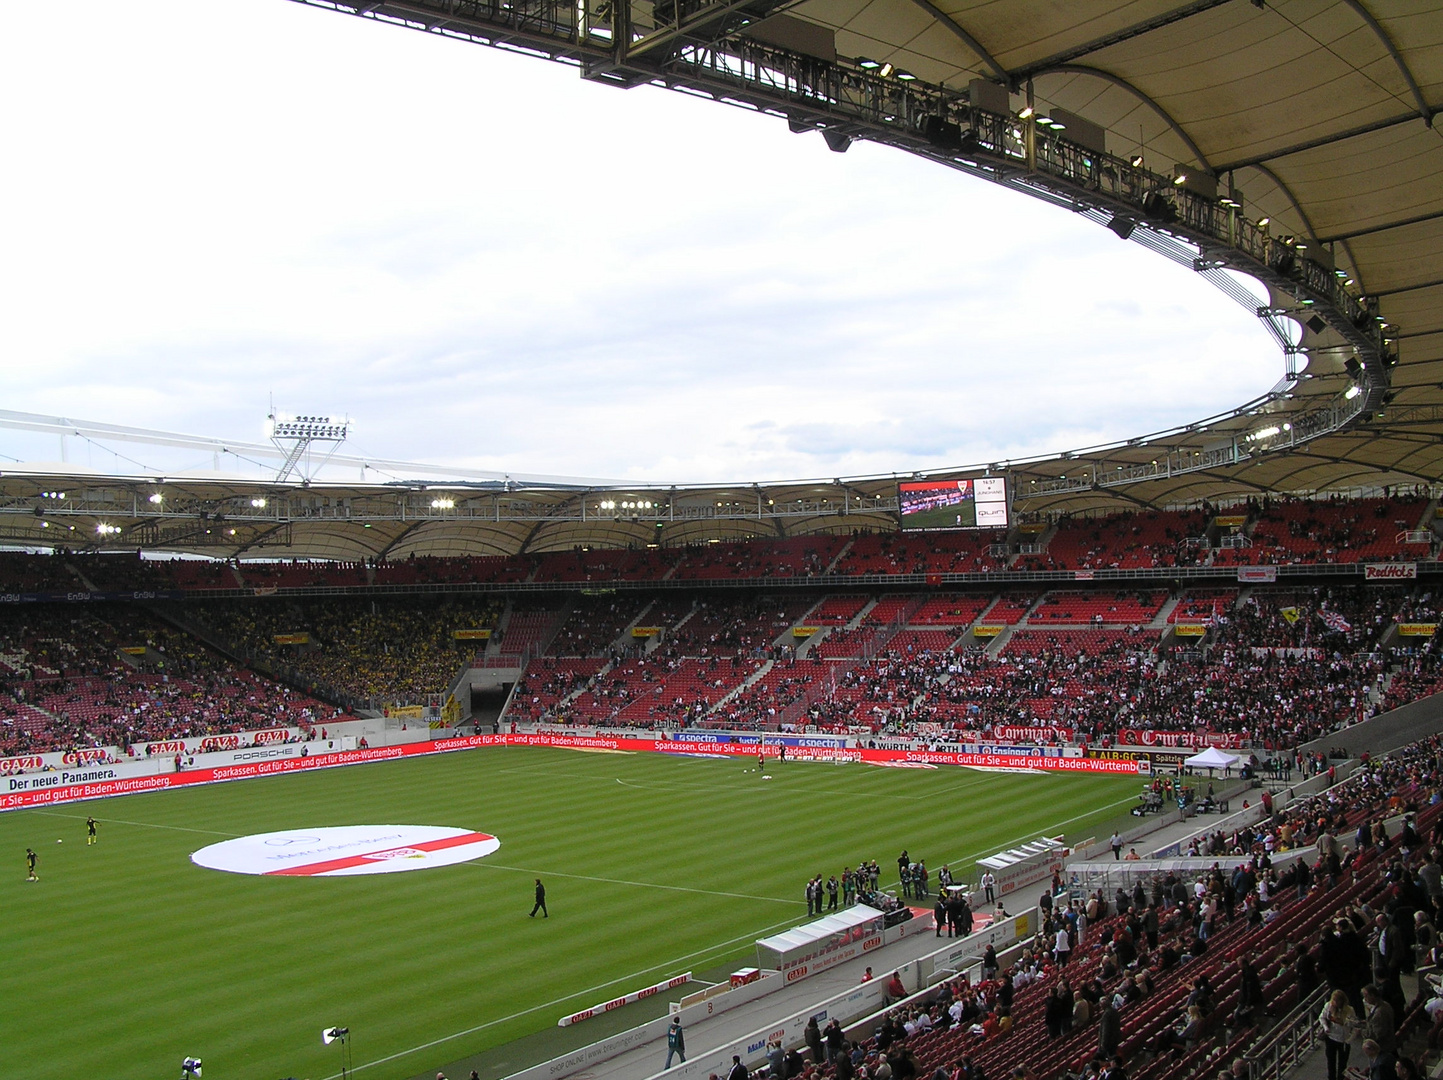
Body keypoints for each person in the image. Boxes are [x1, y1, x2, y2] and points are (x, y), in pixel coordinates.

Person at [1318, 988, 1357, 1080]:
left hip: (1343, 1040)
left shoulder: (1349, 1010)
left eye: (1337, 1000)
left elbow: (1354, 1025)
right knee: (1331, 1062)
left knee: (1342, 1064)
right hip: (1331, 1038)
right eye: (1333, 1000)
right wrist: (1326, 1028)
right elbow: (1322, 1017)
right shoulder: (1328, 1006)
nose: (1335, 1002)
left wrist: (1349, 1039)